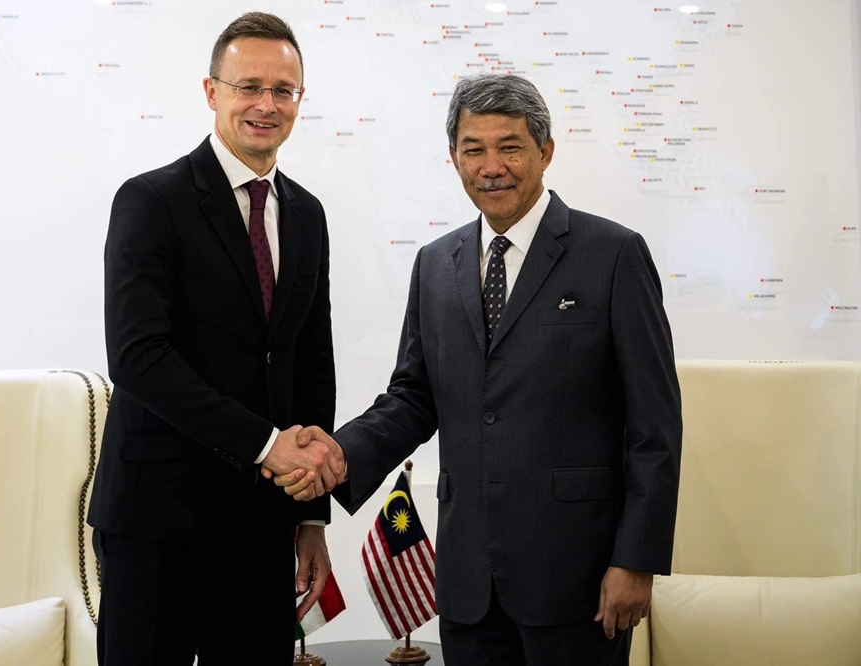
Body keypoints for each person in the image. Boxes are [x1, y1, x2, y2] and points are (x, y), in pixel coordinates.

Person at [273, 74, 682, 665]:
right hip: (467, 584)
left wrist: (636, 559)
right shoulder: (436, 265)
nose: (492, 166)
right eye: (474, 149)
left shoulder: (614, 256)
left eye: (510, 146)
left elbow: (656, 427)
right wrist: (338, 456)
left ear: (545, 151)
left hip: (579, 582)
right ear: (454, 158)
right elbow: (413, 398)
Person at [87, 12, 345, 666]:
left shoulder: (308, 214)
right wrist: (266, 446)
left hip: (262, 530)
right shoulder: (151, 201)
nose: (266, 104)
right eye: (248, 86)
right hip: (156, 526)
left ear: (299, 101)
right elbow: (139, 358)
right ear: (212, 92)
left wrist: (312, 514)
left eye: (283, 90)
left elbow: (310, 366)